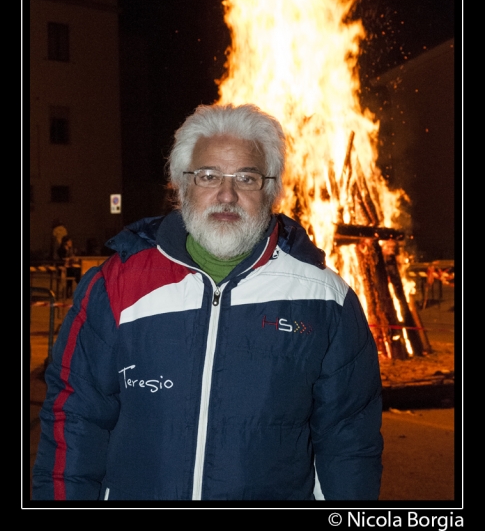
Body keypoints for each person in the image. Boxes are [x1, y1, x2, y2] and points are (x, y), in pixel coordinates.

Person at [32, 103, 383, 502]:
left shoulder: (325, 298)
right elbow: (74, 423)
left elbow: (349, 443)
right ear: (181, 186)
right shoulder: (115, 284)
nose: (227, 193)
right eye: (209, 175)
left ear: (269, 191)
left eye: (246, 178)